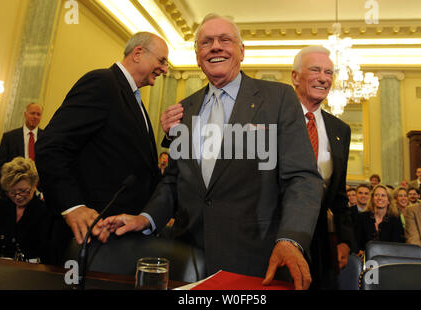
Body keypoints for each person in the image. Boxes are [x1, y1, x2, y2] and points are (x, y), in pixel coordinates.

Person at [101, 13, 323, 290]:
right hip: (187, 259)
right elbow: (173, 181)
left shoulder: (278, 98)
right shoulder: (185, 108)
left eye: (225, 40)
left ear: (241, 51)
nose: (216, 46)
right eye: (206, 42)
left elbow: (303, 178)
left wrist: (291, 239)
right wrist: (144, 218)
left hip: (258, 262)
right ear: (198, 56)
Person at [34, 32, 168, 262]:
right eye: (162, 61)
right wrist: (73, 206)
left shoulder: (135, 101)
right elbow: (51, 146)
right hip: (89, 239)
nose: (165, 69)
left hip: (120, 237)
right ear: (138, 54)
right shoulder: (102, 83)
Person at [291, 46, 354, 289]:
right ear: (295, 76)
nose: (323, 77)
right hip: (272, 237)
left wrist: (345, 240)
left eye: (329, 72)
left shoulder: (340, 130)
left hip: (318, 242)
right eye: (315, 70)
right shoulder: (272, 119)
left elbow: (338, 194)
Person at [0, 157, 51, 262]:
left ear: (34, 185)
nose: (17, 197)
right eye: (12, 192)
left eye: (23, 191)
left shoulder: (45, 212)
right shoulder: (1, 207)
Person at [0, 103, 44, 182]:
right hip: (14, 184)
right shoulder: (9, 137)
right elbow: (0, 164)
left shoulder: (46, 137)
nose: (35, 117)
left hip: (39, 186)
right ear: (25, 114)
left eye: (38, 114)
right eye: (32, 113)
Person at [355, 184, 404, 255]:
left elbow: (398, 244)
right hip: (365, 258)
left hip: (388, 258)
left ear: (389, 201)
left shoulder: (395, 219)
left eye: (383, 195)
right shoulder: (362, 217)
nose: (379, 198)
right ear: (372, 199)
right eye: (376, 195)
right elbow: (356, 241)